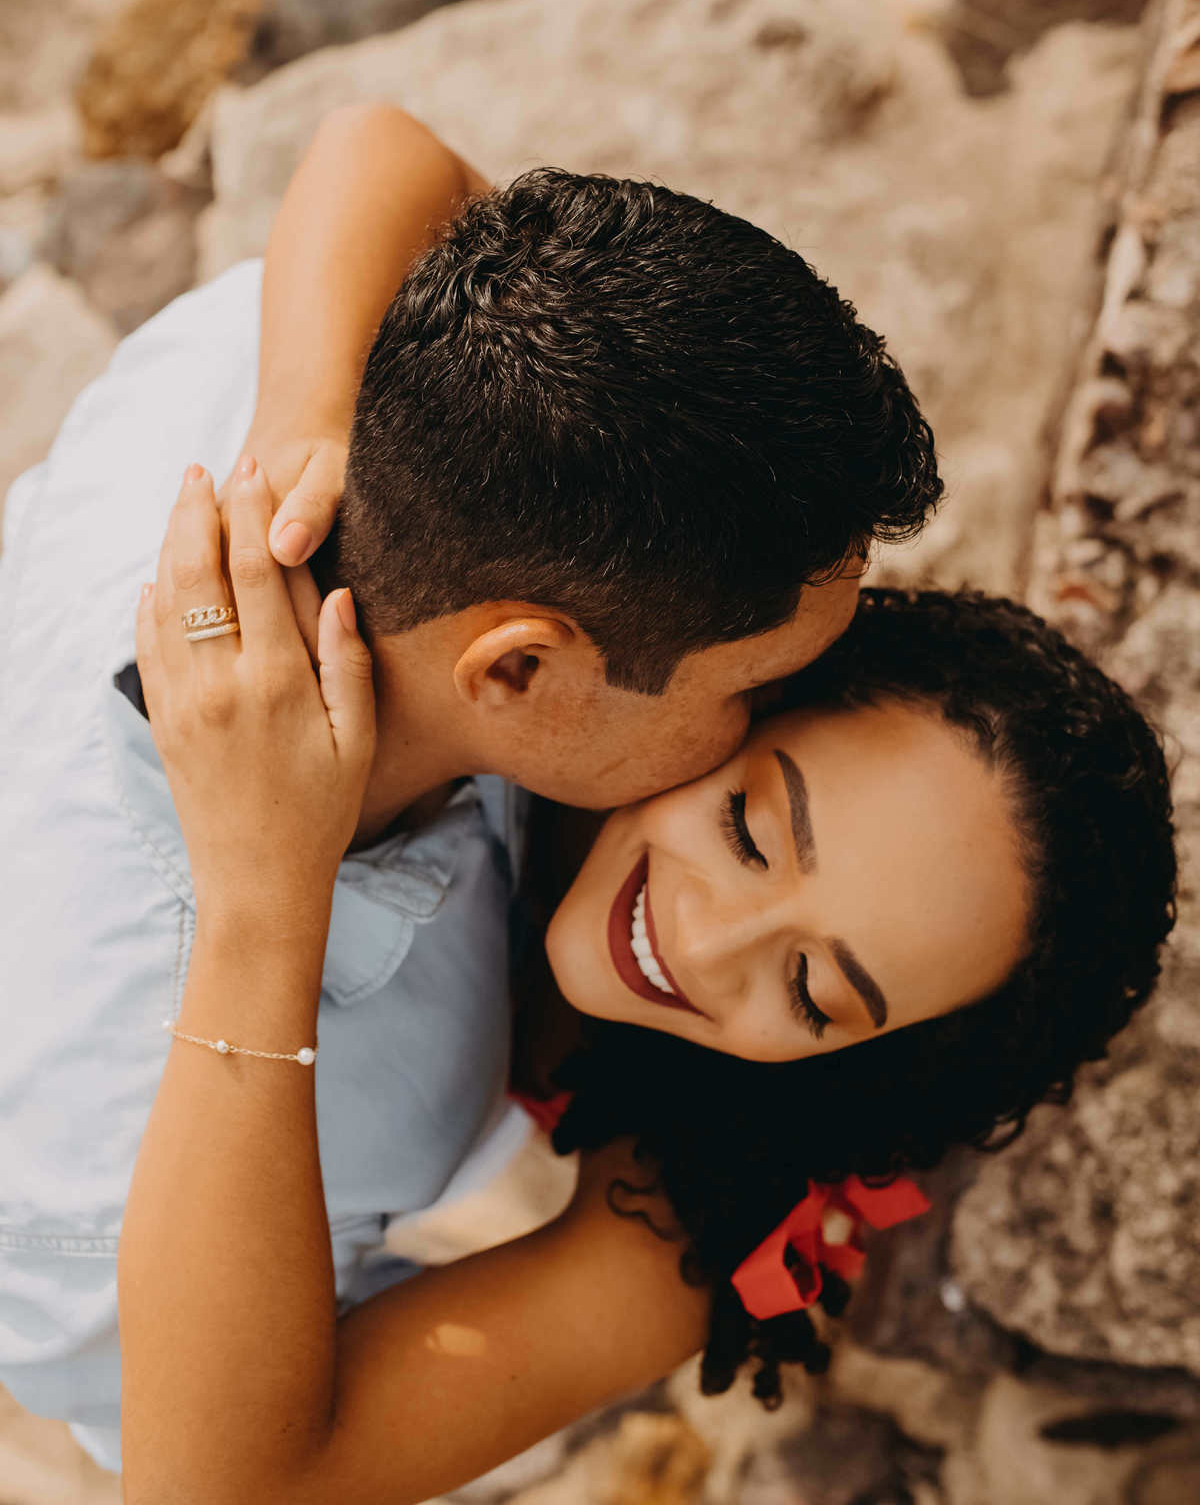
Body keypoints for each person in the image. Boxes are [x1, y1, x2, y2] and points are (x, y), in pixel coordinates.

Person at [0, 107, 940, 1471]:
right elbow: (203, 1480)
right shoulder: (95, 1138)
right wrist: (264, 916)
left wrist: (302, 421)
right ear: (520, 671)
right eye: (748, 690)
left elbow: (385, 149)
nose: (774, 719)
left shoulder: (311, 376)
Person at [118, 465, 1176, 1502]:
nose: (706, 946)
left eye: (812, 990)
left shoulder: (700, 1199)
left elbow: (213, 1490)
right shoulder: (627, 570)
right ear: (759, 691)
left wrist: (262, 897)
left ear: (864, 1062)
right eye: (752, 831)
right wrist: (306, 436)